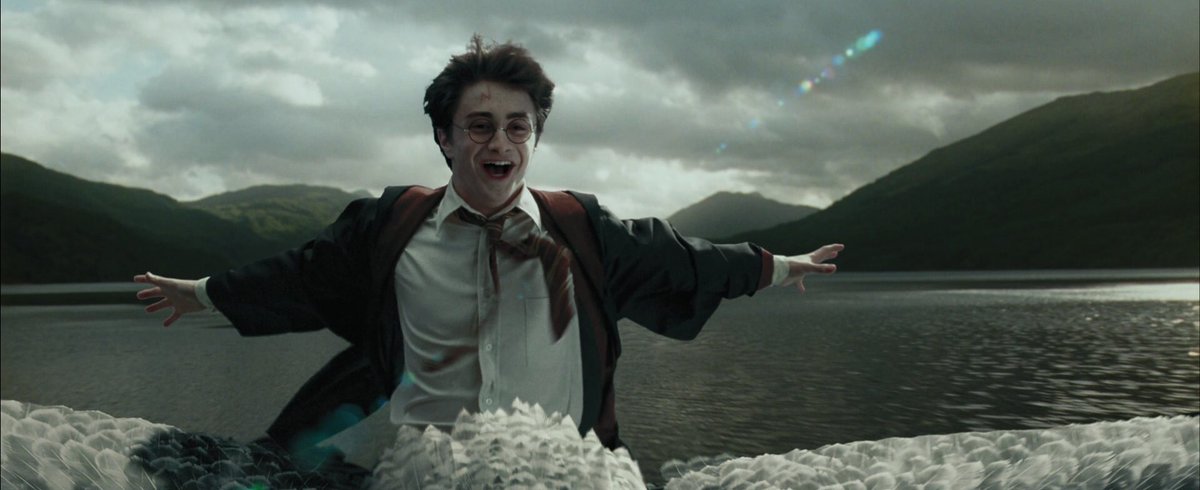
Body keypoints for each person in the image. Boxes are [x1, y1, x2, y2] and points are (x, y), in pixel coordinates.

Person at [134, 35, 843, 461]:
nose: (499, 142)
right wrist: (202, 294)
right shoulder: (390, 226)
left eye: (517, 126)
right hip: (427, 472)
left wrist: (781, 267)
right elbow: (301, 275)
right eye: (478, 126)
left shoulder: (583, 230)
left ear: (535, 136)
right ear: (445, 138)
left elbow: (686, 259)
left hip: (564, 472)